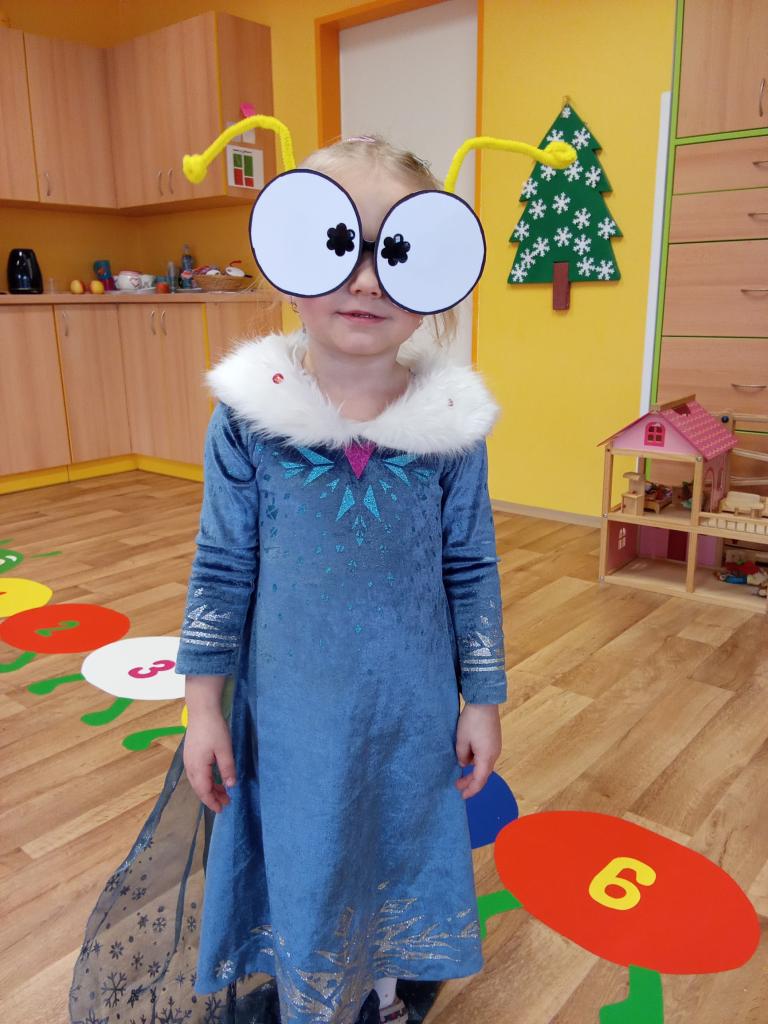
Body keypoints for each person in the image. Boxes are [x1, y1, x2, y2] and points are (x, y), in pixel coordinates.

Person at [69, 135, 508, 1024]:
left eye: (397, 252)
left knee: (393, 846)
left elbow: (471, 565)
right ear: (289, 259)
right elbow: (221, 566)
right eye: (338, 246)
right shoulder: (248, 421)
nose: (367, 280)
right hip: (290, 720)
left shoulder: (451, 430)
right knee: (308, 853)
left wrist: (483, 698)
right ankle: (316, 998)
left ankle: (382, 996)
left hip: (409, 716)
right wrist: (202, 707)